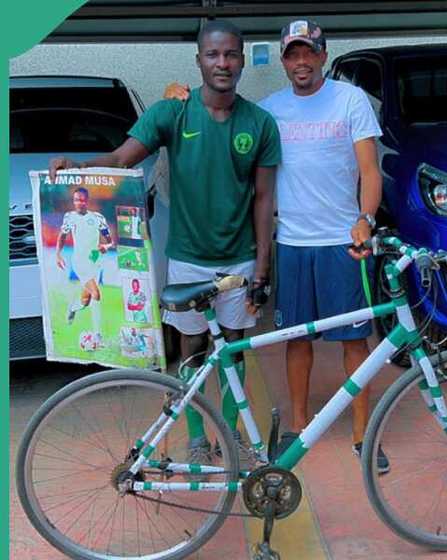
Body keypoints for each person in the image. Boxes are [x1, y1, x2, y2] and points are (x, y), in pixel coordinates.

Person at [50, 19, 281, 465]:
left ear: (242, 60)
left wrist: (263, 270)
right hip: (188, 261)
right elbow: (121, 158)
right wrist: (80, 166)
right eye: (213, 54)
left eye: (231, 54)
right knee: (191, 351)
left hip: (239, 261)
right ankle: (196, 434)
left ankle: (231, 435)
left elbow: (265, 199)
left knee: (232, 350)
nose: (223, 63)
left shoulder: (260, 123)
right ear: (198, 61)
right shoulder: (171, 112)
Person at [163, 19, 390, 473]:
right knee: (298, 339)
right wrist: (179, 93)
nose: (301, 61)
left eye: (309, 52)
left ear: (323, 55)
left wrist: (364, 220)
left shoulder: (350, 101)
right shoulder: (268, 111)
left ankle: (364, 433)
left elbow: (370, 171)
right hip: (292, 242)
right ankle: (298, 427)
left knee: (353, 341)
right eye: (292, 54)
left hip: (342, 242)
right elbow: (222, 112)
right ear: (283, 60)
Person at [56, 187, 114, 350]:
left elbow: (110, 241)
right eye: (76, 200)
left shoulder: (97, 218)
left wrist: (105, 246)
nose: (79, 203)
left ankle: (72, 308)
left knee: (86, 301)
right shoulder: (70, 217)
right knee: (96, 294)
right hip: (79, 261)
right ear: (73, 201)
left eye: (81, 200)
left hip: (95, 260)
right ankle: (98, 338)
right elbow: (62, 236)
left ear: (86, 201)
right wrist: (58, 255)